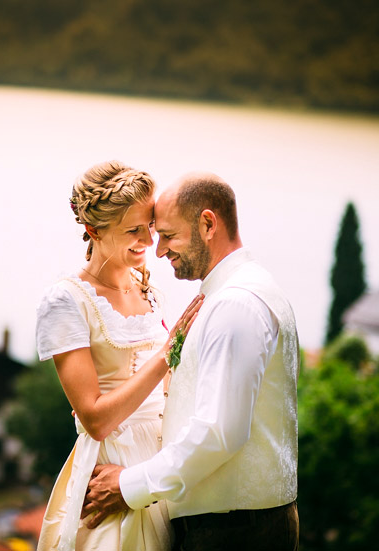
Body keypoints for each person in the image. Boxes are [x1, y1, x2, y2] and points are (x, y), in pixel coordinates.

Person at [82, 172, 301, 551]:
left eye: (168, 235)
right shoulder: (234, 294)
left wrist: (129, 485)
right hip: (235, 526)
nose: (159, 249)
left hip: (233, 534)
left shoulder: (235, 304)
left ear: (207, 223)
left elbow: (219, 432)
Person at [35, 160, 203, 551]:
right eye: (133, 230)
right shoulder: (66, 300)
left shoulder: (149, 289)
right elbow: (94, 419)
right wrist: (169, 349)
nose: (149, 241)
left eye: (151, 225)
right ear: (93, 230)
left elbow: (167, 388)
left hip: (160, 462)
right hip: (111, 463)